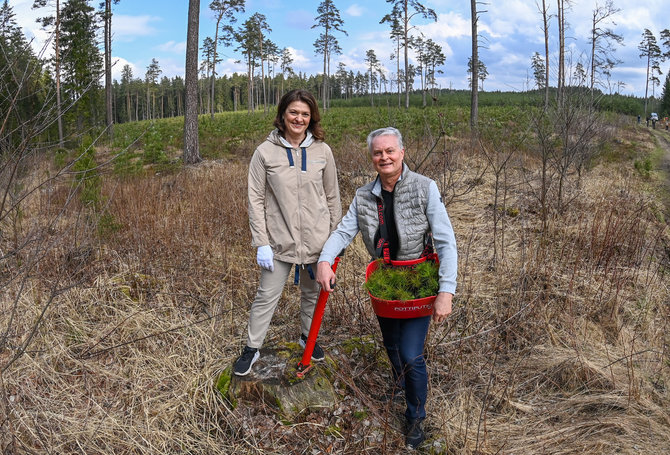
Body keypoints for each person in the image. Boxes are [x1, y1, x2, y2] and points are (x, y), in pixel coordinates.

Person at [316, 127, 457, 450]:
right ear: (372, 158)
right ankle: (400, 384)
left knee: (410, 353)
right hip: (384, 280)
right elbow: (343, 232)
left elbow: (447, 242)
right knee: (391, 344)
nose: (385, 157)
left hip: (419, 280)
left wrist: (446, 291)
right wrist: (326, 259)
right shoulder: (364, 196)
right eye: (378, 153)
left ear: (402, 153)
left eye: (390, 151)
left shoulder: (425, 188)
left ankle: (415, 416)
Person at [233, 89, 341, 377]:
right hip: (279, 242)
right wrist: (261, 243)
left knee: (313, 293)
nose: (299, 118)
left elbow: (332, 197)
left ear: (311, 118)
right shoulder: (264, 153)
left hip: (318, 241)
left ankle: (308, 337)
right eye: (294, 112)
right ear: (282, 115)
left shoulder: (322, 151)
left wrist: (335, 240)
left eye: (305, 114)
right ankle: (252, 348)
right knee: (266, 295)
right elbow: (254, 198)